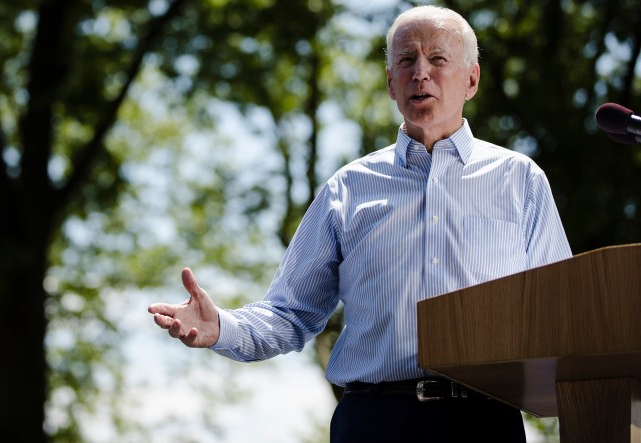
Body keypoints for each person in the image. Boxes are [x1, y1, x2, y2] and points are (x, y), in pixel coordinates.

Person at [148, 5, 572, 442]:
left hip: (485, 421)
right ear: (391, 83)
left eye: (438, 59)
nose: (420, 73)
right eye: (406, 61)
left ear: (471, 79)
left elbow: (562, 313)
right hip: (373, 421)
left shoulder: (520, 180)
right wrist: (222, 326)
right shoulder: (346, 189)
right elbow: (291, 313)